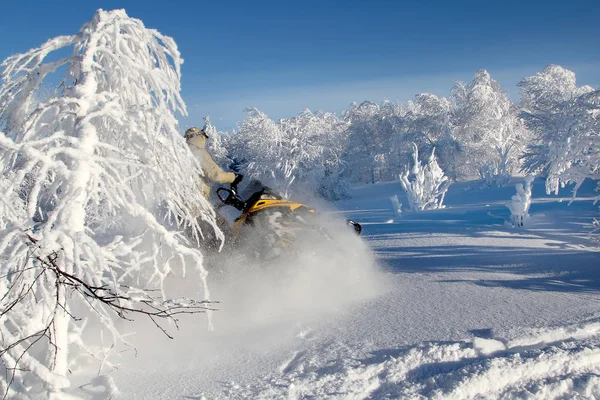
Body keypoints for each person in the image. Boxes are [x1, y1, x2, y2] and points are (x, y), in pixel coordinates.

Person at [184, 126, 243, 198]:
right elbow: (216, 176)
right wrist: (234, 177)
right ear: (199, 138)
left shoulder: (181, 152)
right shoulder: (198, 152)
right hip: (196, 200)